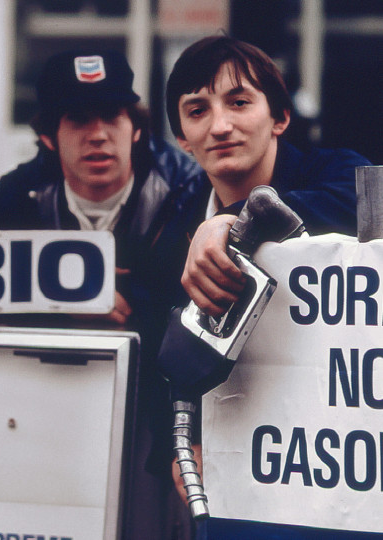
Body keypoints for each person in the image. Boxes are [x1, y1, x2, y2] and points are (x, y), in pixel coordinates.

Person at [0, 49, 207, 540]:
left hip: (159, 406)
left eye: (112, 116)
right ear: (48, 136)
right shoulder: (23, 191)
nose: (98, 134)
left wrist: (126, 292)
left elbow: (194, 304)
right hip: (53, 403)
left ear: (135, 128)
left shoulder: (186, 186)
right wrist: (53, 300)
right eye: (78, 119)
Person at [162, 35, 372, 539]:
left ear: (279, 118)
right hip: (232, 454)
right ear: (183, 138)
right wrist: (178, 445)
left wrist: (232, 224)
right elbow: (165, 345)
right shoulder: (175, 220)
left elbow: (355, 201)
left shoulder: (337, 171)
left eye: (239, 102)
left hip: (334, 459)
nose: (220, 125)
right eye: (197, 110)